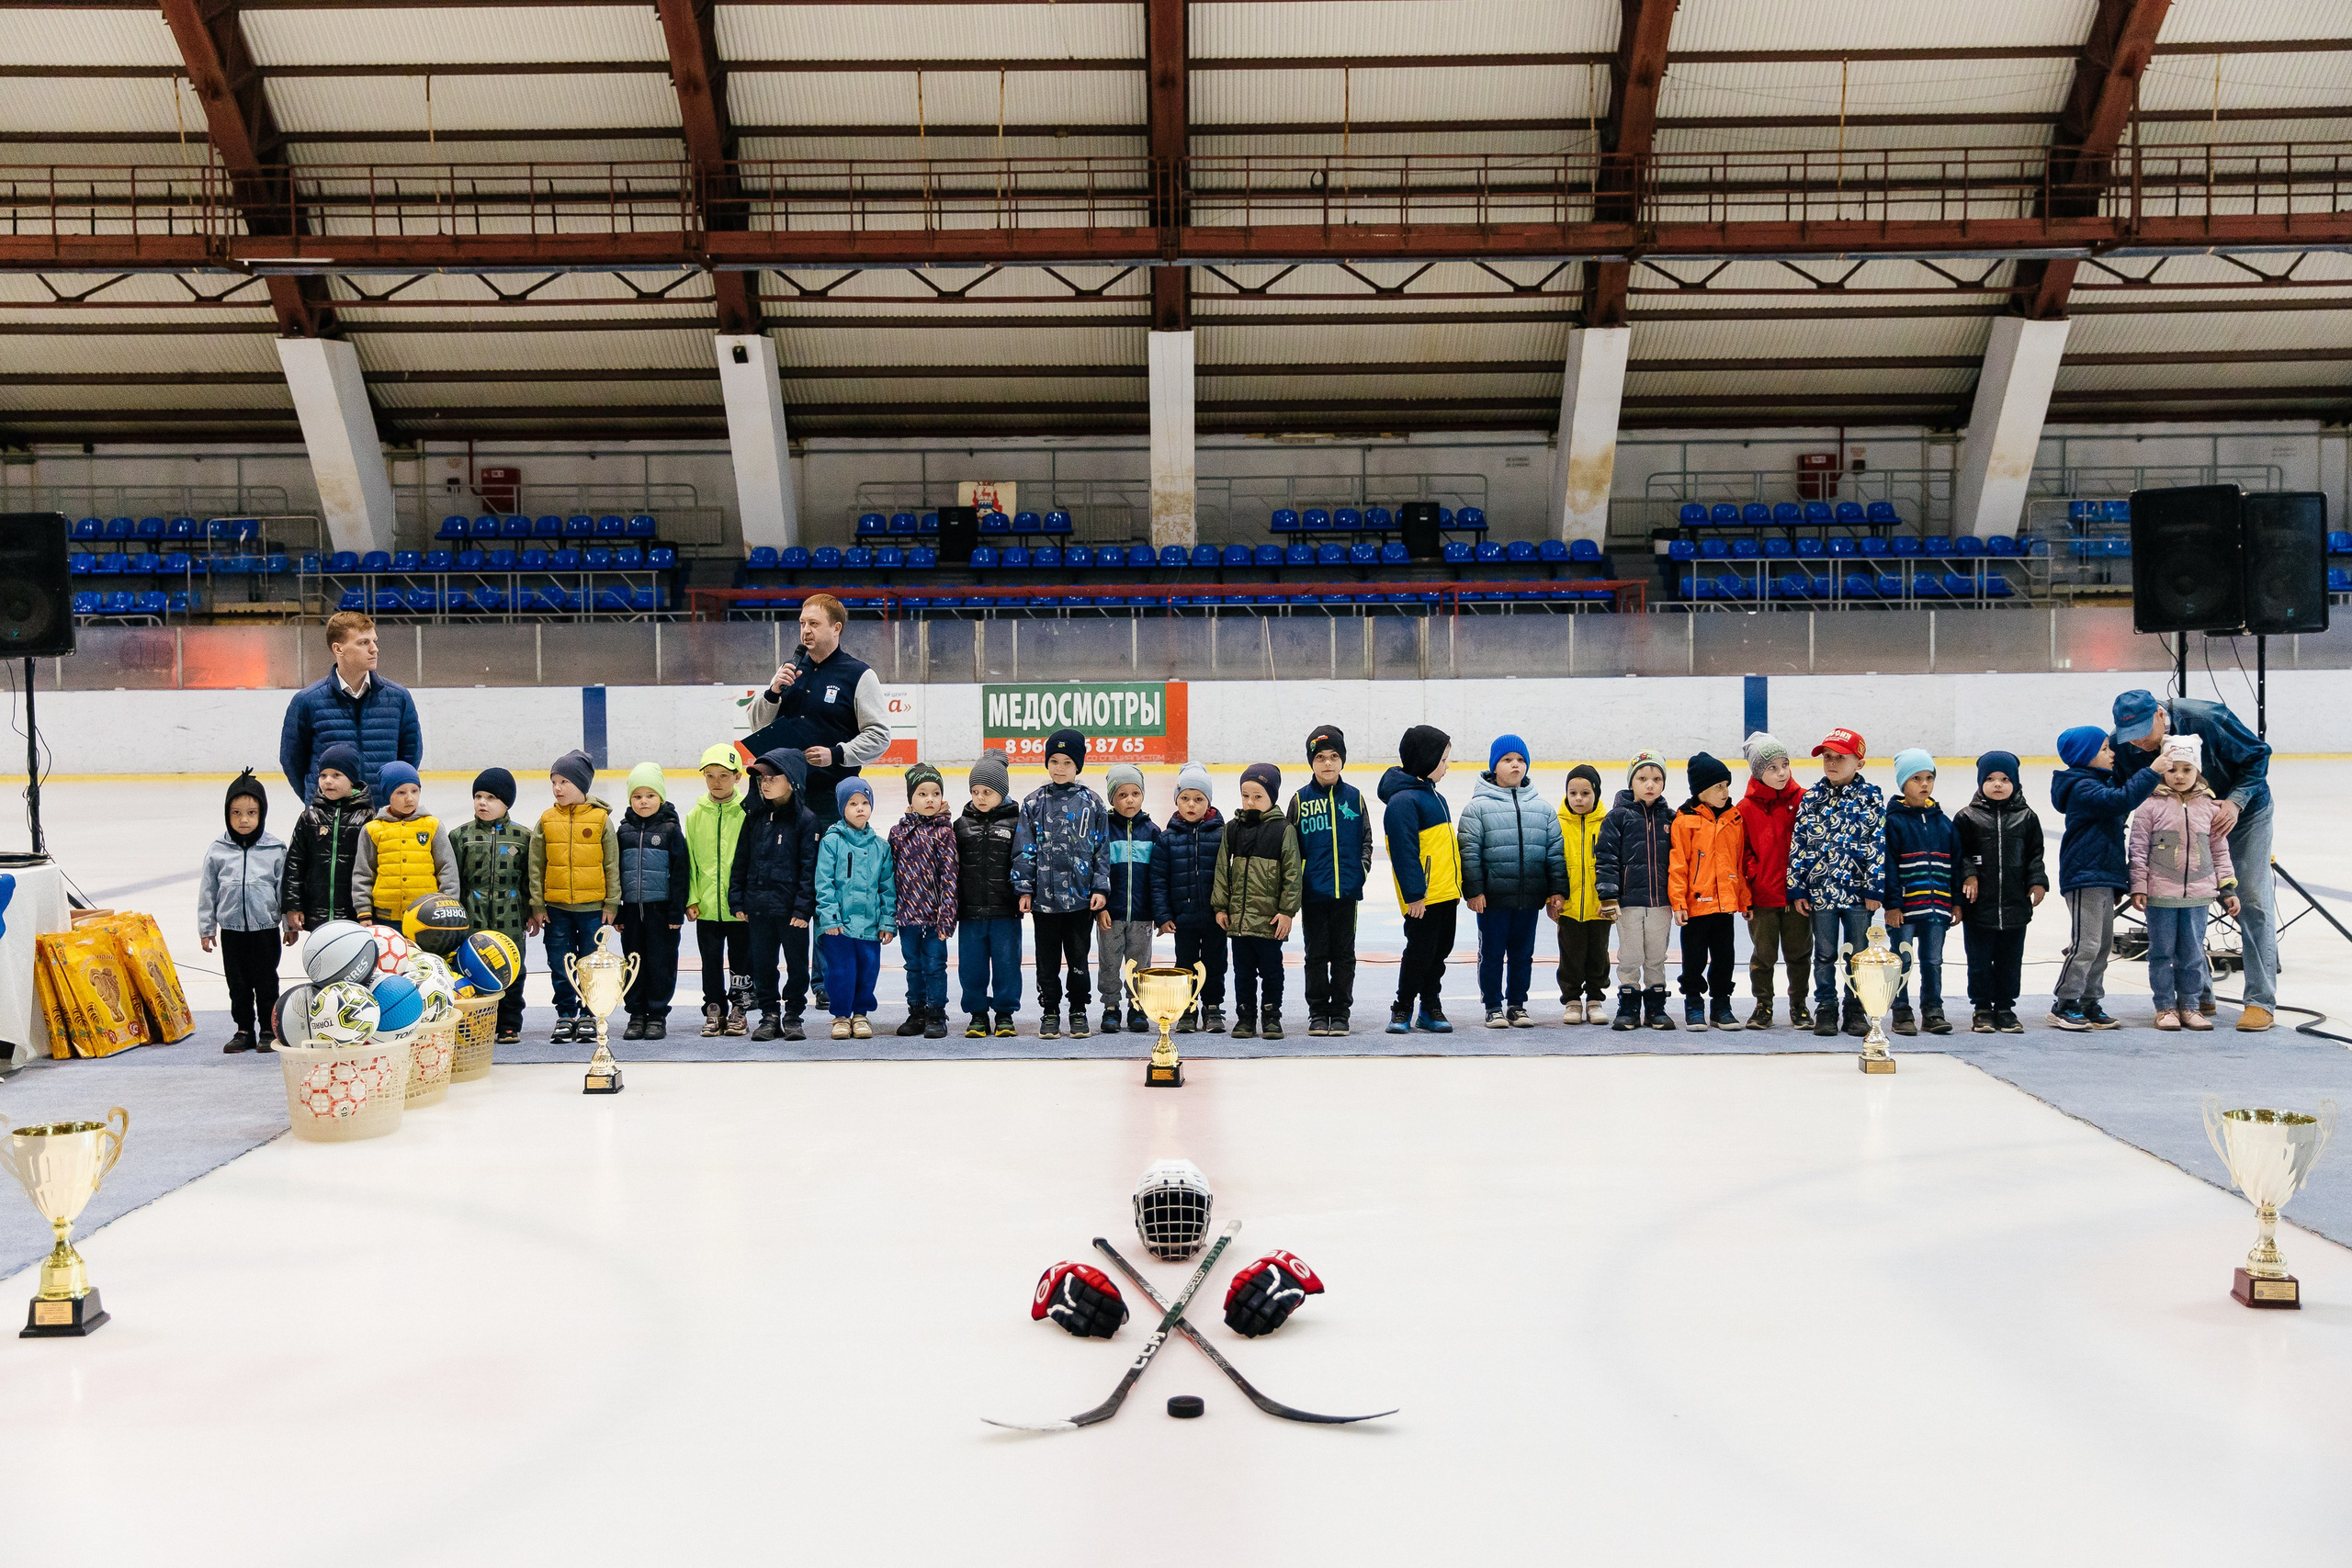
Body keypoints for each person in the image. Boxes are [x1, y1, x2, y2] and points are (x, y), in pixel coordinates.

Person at [2109, 688, 2277, 1031]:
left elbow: (2258, 755)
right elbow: (2123, 796)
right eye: (2129, 736)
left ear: (2159, 714)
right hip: (2174, 823)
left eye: (2143, 732)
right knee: (2183, 901)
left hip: (2240, 814)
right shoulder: (2124, 743)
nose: (2137, 742)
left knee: (2251, 900)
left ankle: (2260, 1001)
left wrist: (2235, 801)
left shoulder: (2209, 718)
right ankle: (2198, 994)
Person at [741, 594, 892, 829]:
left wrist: (836, 754)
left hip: (831, 798)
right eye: (802, 623)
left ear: (836, 628)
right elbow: (757, 726)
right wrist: (772, 692)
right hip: (784, 795)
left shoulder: (859, 675)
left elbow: (879, 736)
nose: (806, 631)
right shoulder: (788, 669)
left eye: (814, 623)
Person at [2049, 725, 2162, 1031]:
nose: (2112, 754)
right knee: (2085, 945)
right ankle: (2065, 1002)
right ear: (2085, 757)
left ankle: (2089, 1001)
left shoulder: (2099, 782)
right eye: (2104, 749)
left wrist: (2117, 880)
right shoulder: (2083, 787)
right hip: (2085, 875)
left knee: (2101, 946)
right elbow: (2121, 801)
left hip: (2102, 874)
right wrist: (2152, 772)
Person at [2130, 734, 2240, 1032]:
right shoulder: (2148, 808)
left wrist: (2227, 888)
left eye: (2187, 769)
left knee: (2192, 954)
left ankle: (2190, 1006)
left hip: (2198, 896)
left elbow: (2219, 851)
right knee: (2162, 953)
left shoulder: (2210, 808)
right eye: (2172, 769)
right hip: (2160, 895)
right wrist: (2138, 885)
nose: (2179, 776)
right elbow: (2138, 850)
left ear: (2197, 771)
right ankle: (2165, 1007)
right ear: (2162, 768)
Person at [1459, 733, 1568, 1029]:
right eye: (1507, 760)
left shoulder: (1542, 809)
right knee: (1492, 954)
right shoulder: (1477, 808)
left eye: (1520, 760)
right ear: (1495, 766)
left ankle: (1517, 1004)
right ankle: (1493, 1005)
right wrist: (1474, 890)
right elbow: (1469, 853)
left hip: (1528, 897)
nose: (1515, 765)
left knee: (1523, 954)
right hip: (1493, 899)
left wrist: (1556, 890)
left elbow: (1554, 853)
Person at [1011, 727, 1109, 1040]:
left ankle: (1078, 1009)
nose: (1060, 767)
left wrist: (1099, 887)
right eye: (1054, 760)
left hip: (1081, 900)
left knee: (1079, 957)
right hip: (1044, 901)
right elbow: (1024, 849)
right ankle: (1050, 1009)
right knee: (1047, 960)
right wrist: (1024, 889)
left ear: (1077, 765)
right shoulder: (1033, 803)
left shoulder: (1092, 804)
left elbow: (1101, 849)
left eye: (1067, 761)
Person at [1787, 728, 1884, 1040]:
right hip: (1822, 893)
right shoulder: (1811, 799)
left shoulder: (1871, 798)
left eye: (1840, 758)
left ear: (1859, 763)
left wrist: (1873, 886)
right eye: (1827, 757)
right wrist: (1798, 887)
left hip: (1858, 895)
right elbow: (1799, 843)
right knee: (1825, 953)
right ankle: (1826, 1007)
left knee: (1857, 954)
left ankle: (1855, 1008)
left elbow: (1877, 844)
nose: (1831, 763)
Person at [278, 610, 423, 802]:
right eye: (364, 642)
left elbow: (410, 757)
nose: (374, 649)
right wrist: (318, 801)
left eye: (374, 641)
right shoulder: (307, 701)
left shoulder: (398, 698)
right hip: (329, 820)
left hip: (381, 816)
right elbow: (292, 762)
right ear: (338, 649)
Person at [530, 749, 620, 1043]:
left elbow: (611, 864)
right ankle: (565, 1013)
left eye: (564, 782)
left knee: (590, 962)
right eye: (554, 782)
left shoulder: (600, 820)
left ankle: (588, 1014)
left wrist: (611, 902)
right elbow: (536, 865)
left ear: (581, 785)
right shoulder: (545, 820)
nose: (557, 788)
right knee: (560, 961)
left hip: (593, 908)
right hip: (556, 909)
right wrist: (537, 904)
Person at [731, 749, 821, 1041]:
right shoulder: (754, 818)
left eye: (772, 777)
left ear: (791, 779)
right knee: (762, 966)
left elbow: (810, 869)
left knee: (797, 967)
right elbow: (741, 861)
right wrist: (738, 899)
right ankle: (769, 1015)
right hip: (757, 909)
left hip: (791, 912)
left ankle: (793, 1015)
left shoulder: (806, 821)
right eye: (762, 779)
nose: (765, 783)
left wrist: (803, 908)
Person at [1954, 750, 2045, 1034]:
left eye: (2005, 779)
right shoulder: (1967, 817)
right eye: (1991, 779)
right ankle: (1981, 1008)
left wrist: (2038, 880)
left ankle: (2005, 1008)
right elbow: (1959, 854)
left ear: (2015, 782)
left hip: (2015, 905)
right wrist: (1968, 875)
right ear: (1981, 781)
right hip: (1979, 906)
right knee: (1979, 961)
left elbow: (2035, 854)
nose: (1997, 785)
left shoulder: (2027, 817)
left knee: (2009, 961)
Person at [1290, 725, 1372, 1036]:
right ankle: (1317, 1013)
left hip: (1346, 892)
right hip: (1313, 893)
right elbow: (1291, 848)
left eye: (1334, 756)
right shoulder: (1300, 800)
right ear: (1311, 761)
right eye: (1320, 757)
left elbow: (1366, 839)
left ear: (1342, 760)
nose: (1327, 763)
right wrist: (1299, 882)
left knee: (1343, 955)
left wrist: (1359, 872)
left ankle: (1340, 1012)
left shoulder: (1355, 798)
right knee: (1316, 954)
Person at [198, 768, 286, 1055]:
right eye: (236, 813)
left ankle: (268, 1029)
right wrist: (206, 928)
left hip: (265, 930)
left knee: (266, 981)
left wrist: (288, 924)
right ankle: (243, 1029)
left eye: (251, 812)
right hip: (232, 931)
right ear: (227, 814)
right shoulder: (217, 850)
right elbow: (208, 892)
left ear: (262, 814)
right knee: (237, 983)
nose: (244, 820)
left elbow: (283, 889)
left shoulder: (274, 848)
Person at [1215, 761, 1303, 1040]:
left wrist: (1287, 912)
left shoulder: (1283, 830)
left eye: (1258, 796)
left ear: (1271, 798)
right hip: (1239, 922)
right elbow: (1221, 870)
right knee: (1242, 972)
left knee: (1272, 971)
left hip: (1269, 921)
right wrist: (1220, 906)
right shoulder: (1232, 829)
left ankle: (1271, 1015)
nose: (1250, 802)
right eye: (1245, 795)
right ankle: (1245, 1017)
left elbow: (1293, 873)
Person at [1382, 725, 1460, 1034]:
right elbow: (1404, 852)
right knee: (1419, 953)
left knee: (1440, 952)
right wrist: (1415, 894)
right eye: (1443, 759)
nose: (1447, 765)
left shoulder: (1435, 797)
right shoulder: (1403, 802)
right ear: (1426, 760)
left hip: (1445, 893)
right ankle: (1402, 1007)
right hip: (1423, 897)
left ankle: (1430, 1005)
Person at [450, 766, 531, 1044]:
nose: (483, 802)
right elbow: (454, 881)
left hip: (510, 918)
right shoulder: (460, 836)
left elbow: (528, 882)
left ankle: (509, 1025)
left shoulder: (523, 837)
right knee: (470, 970)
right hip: (473, 918)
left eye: (491, 798)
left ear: (506, 803)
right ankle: (474, 1024)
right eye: (478, 796)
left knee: (511, 971)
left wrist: (531, 912)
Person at [1668, 750, 1747, 1031]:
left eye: (1727, 785)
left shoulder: (1735, 819)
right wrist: (1678, 902)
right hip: (1696, 906)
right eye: (1719, 787)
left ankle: (1721, 1005)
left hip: (1726, 906)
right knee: (1694, 959)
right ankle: (1693, 1003)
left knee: (1725, 957)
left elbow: (1738, 862)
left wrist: (1744, 899)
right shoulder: (1684, 820)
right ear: (1701, 790)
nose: (1725, 791)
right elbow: (1678, 865)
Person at [1597, 750, 1676, 1031]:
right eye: (1642, 778)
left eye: (1656, 778)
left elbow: (1679, 862)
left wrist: (1678, 898)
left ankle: (1656, 1008)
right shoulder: (1617, 817)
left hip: (1660, 903)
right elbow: (1606, 858)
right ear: (1632, 782)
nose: (1650, 784)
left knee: (1656, 956)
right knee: (1630, 955)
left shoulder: (1671, 818)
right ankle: (1628, 1005)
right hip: (1628, 903)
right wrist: (1608, 895)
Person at [1883, 750, 1959, 1036]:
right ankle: (1901, 1011)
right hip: (1905, 907)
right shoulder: (1893, 822)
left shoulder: (1944, 823)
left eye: (1929, 778)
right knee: (1901, 959)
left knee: (1933, 960)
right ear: (1903, 783)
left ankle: (1933, 1010)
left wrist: (1956, 902)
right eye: (1916, 778)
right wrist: (1892, 904)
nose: (1924, 784)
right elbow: (1888, 866)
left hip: (1938, 906)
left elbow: (1955, 865)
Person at [1736, 732, 1808, 1031]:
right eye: (1772, 768)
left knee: (1800, 954)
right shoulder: (1745, 808)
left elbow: (1810, 845)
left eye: (1785, 765)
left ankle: (1799, 1005)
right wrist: (1749, 889)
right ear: (1757, 772)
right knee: (1763, 956)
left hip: (1796, 896)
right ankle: (1763, 1004)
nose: (1781, 773)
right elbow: (1743, 854)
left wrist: (1804, 884)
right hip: (1762, 896)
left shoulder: (1804, 799)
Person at [815, 777, 895, 1041]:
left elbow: (887, 888)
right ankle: (840, 1016)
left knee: (867, 970)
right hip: (840, 926)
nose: (860, 808)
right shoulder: (831, 842)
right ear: (842, 808)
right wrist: (829, 917)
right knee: (840, 971)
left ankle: (860, 1014)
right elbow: (824, 883)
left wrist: (886, 921)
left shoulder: (881, 847)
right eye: (852, 803)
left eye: (864, 802)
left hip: (870, 925)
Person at [615, 762, 690, 1040]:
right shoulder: (622, 832)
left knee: (661, 963)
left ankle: (657, 1014)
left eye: (649, 795)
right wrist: (620, 910)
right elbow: (616, 873)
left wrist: (676, 911)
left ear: (660, 797)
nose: (643, 801)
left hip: (661, 911)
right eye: (637, 796)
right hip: (633, 911)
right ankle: (635, 1014)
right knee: (633, 961)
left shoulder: (671, 830)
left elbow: (681, 872)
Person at [1152, 762, 1227, 1034]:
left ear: (1208, 802)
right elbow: (1158, 880)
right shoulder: (1167, 839)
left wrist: (1225, 908)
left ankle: (1213, 1007)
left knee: (1215, 963)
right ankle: (1187, 1007)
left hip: (1214, 917)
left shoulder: (1222, 835)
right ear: (1177, 800)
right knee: (1184, 964)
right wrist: (1163, 916)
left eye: (1198, 799)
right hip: (1182, 919)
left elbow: (1230, 877)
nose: (1191, 805)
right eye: (1185, 798)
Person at [683, 743, 752, 1038]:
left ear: (737, 777)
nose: (717, 782)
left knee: (741, 962)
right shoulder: (695, 815)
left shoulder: (748, 814)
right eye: (710, 776)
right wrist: (692, 898)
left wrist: (749, 899)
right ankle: (713, 1007)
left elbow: (753, 862)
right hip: (707, 908)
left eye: (724, 775)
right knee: (710, 962)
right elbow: (690, 862)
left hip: (740, 908)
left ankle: (739, 1009)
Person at [954, 750, 1023, 1039]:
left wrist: (1022, 892)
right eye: (975, 791)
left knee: (1008, 964)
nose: (980, 797)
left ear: (1003, 792)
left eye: (988, 792)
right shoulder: (960, 825)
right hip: (970, 912)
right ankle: (977, 1014)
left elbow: (1023, 861)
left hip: (1005, 911)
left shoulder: (1017, 823)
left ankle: (1005, 1013)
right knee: (972, 968)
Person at [889, 761, 958, 1041]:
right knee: (913, 965)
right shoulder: (898, 833)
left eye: (935, 793)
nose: (930, 799)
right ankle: (916, 1010)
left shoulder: (945, 833)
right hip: (907, 916)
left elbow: (950, 878)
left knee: (934, 965)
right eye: (922, 794)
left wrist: (947, 915)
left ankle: (936, 1012)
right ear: (910, 799)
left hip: (934, 917)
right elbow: (890, 875)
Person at [280, 740, 372, 939]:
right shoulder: (309, 818)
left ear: (352, 779)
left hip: (353, 915)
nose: (327, 781)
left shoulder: (367, 818)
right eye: (323, 775)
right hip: (317, 915)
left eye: (336, 775)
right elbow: (295, 864)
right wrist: (293, 906)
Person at [350, 761, 457, 926]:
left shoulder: (432, 826)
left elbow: (447, 869)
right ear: (388, 794)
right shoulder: (372, 830)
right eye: (401, 792)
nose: (410, 798)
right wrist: (364, 912)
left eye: (415, 791)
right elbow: (363, 874)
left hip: (426, 916)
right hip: (385, 919)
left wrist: (449, 907)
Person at [1097, 762, 1161, 1034]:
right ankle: (1111, 1007)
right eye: (1122, 795)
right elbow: (1096, 871)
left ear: (1143, 794)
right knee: (1109, 963)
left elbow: (1159, 877)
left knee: (1140, 963)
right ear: (1112, 798)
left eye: (1135, 793)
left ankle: (1137, 1007)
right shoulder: (1104, 831)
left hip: (1142, 914)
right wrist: (1099, 908)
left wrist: (1159, 911)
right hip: (1111, 914)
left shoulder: (1153, 832)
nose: (1129, 799)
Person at [1554, 763, 1611, 1024]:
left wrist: (1611, 898)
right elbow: (1552, 862)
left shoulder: (1608, 823)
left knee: (1598, 954)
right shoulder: (1557, 825)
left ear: (1596, 794)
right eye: (1573, 793)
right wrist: (1551, 897)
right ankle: (1573, 1000)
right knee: (1571, 955)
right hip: (1569, 905)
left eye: (1585, 793)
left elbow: (1615, 863)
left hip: (1599, 906)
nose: (1578, 798)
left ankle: (1595, 999)